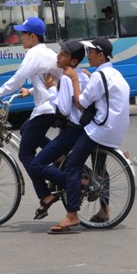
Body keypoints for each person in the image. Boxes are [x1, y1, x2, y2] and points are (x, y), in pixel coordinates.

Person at [48, 37, 130, 233]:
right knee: (100, 168)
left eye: (91, 53)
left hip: (100, 129)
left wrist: (75, 79)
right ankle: (104, 210)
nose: (88, 55)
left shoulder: (98, 77)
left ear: (100, 56)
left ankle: (72, 215)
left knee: (73, 164)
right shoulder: (114, 73)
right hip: (116, 130)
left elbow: (80, 103)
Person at [0, 17, 60, 203]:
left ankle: (45, 195)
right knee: (26, 128)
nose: (20, 37)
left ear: (33, 37)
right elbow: (50, 80)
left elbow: (18, 78)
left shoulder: (34, 55)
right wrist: (31, 90)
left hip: (47, 108)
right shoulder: (47, 52)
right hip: (54, 105)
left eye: (23, 33)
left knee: (25, 154)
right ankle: (57, 155)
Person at [29, 39, 89, 220]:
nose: (58, 56)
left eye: (63, 54)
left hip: (72, 130)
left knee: (36, 164)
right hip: (83, 128)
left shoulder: (66, 79)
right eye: (59, 52)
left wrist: (52, 89)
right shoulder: (82, 75)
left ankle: (75, 183)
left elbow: (63, 109)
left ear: (73, 62)